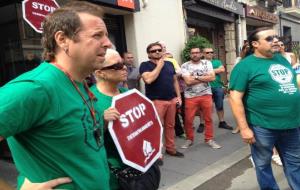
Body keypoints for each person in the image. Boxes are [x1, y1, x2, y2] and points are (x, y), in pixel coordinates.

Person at [0, 1, 112, 189]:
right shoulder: (35, 88)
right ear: (62, 40)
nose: (108, 43)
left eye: (106, 36)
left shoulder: (79, 81)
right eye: (97, 35)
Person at [229, 27, 300, 189]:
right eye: (269, 39)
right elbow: (234, 97)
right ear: (255, 44)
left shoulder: (281, 59)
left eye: (275, 37)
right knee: (263, 165)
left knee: (295, 162)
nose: (275, 40)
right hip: (263, 127)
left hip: (292, 125)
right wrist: (244, 128)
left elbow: (290, 85)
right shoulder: (244, 66)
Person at [139, 42, 184, 160]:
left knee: (171, 126)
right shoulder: (145, 65)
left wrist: (178, 96)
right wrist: (159, 65)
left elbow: (174, 81)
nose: (157, 52)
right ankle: (157, 153)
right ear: (149, 54)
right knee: (157, 127)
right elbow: (148, 80)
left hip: (171, 100)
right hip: (156, 101)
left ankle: (171, 148)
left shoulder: (169, 64)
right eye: (154, 51)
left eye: (159, 50)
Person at [91, 49, 128, 190]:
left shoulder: (127, 93)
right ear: (100, 73)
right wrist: (103, 122)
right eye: (117, 66)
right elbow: (84, 139)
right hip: (111, 172)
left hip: (135, 167)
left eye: (123, 63)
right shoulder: (89, 100)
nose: (124, 68)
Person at [180, 47, 222, 149]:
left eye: (197, 53)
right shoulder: (185, 65)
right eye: (193, 53)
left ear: (201, 54)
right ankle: (189, 139)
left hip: (206, 94)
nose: (195, 54)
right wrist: (204, 77)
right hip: (190, 96)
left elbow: (212, 78)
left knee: (208, 118)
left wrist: (195, 77)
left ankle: (209, 139)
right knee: (189, 120)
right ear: (190, 54)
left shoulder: (207, 63)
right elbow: (188, 82)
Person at [196, 47, 233, 133]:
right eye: (207, 52)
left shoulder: (217, 61)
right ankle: (202, 123)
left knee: (219, 105)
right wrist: (215, 70)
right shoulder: (200, 63)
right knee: (202, 107)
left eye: (211, 52)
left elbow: (222, 69)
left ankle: (222, 122)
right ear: (203, 54)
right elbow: (199, 72)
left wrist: (208, 71)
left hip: (217, 86)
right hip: (204, 87)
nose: (210, 54)